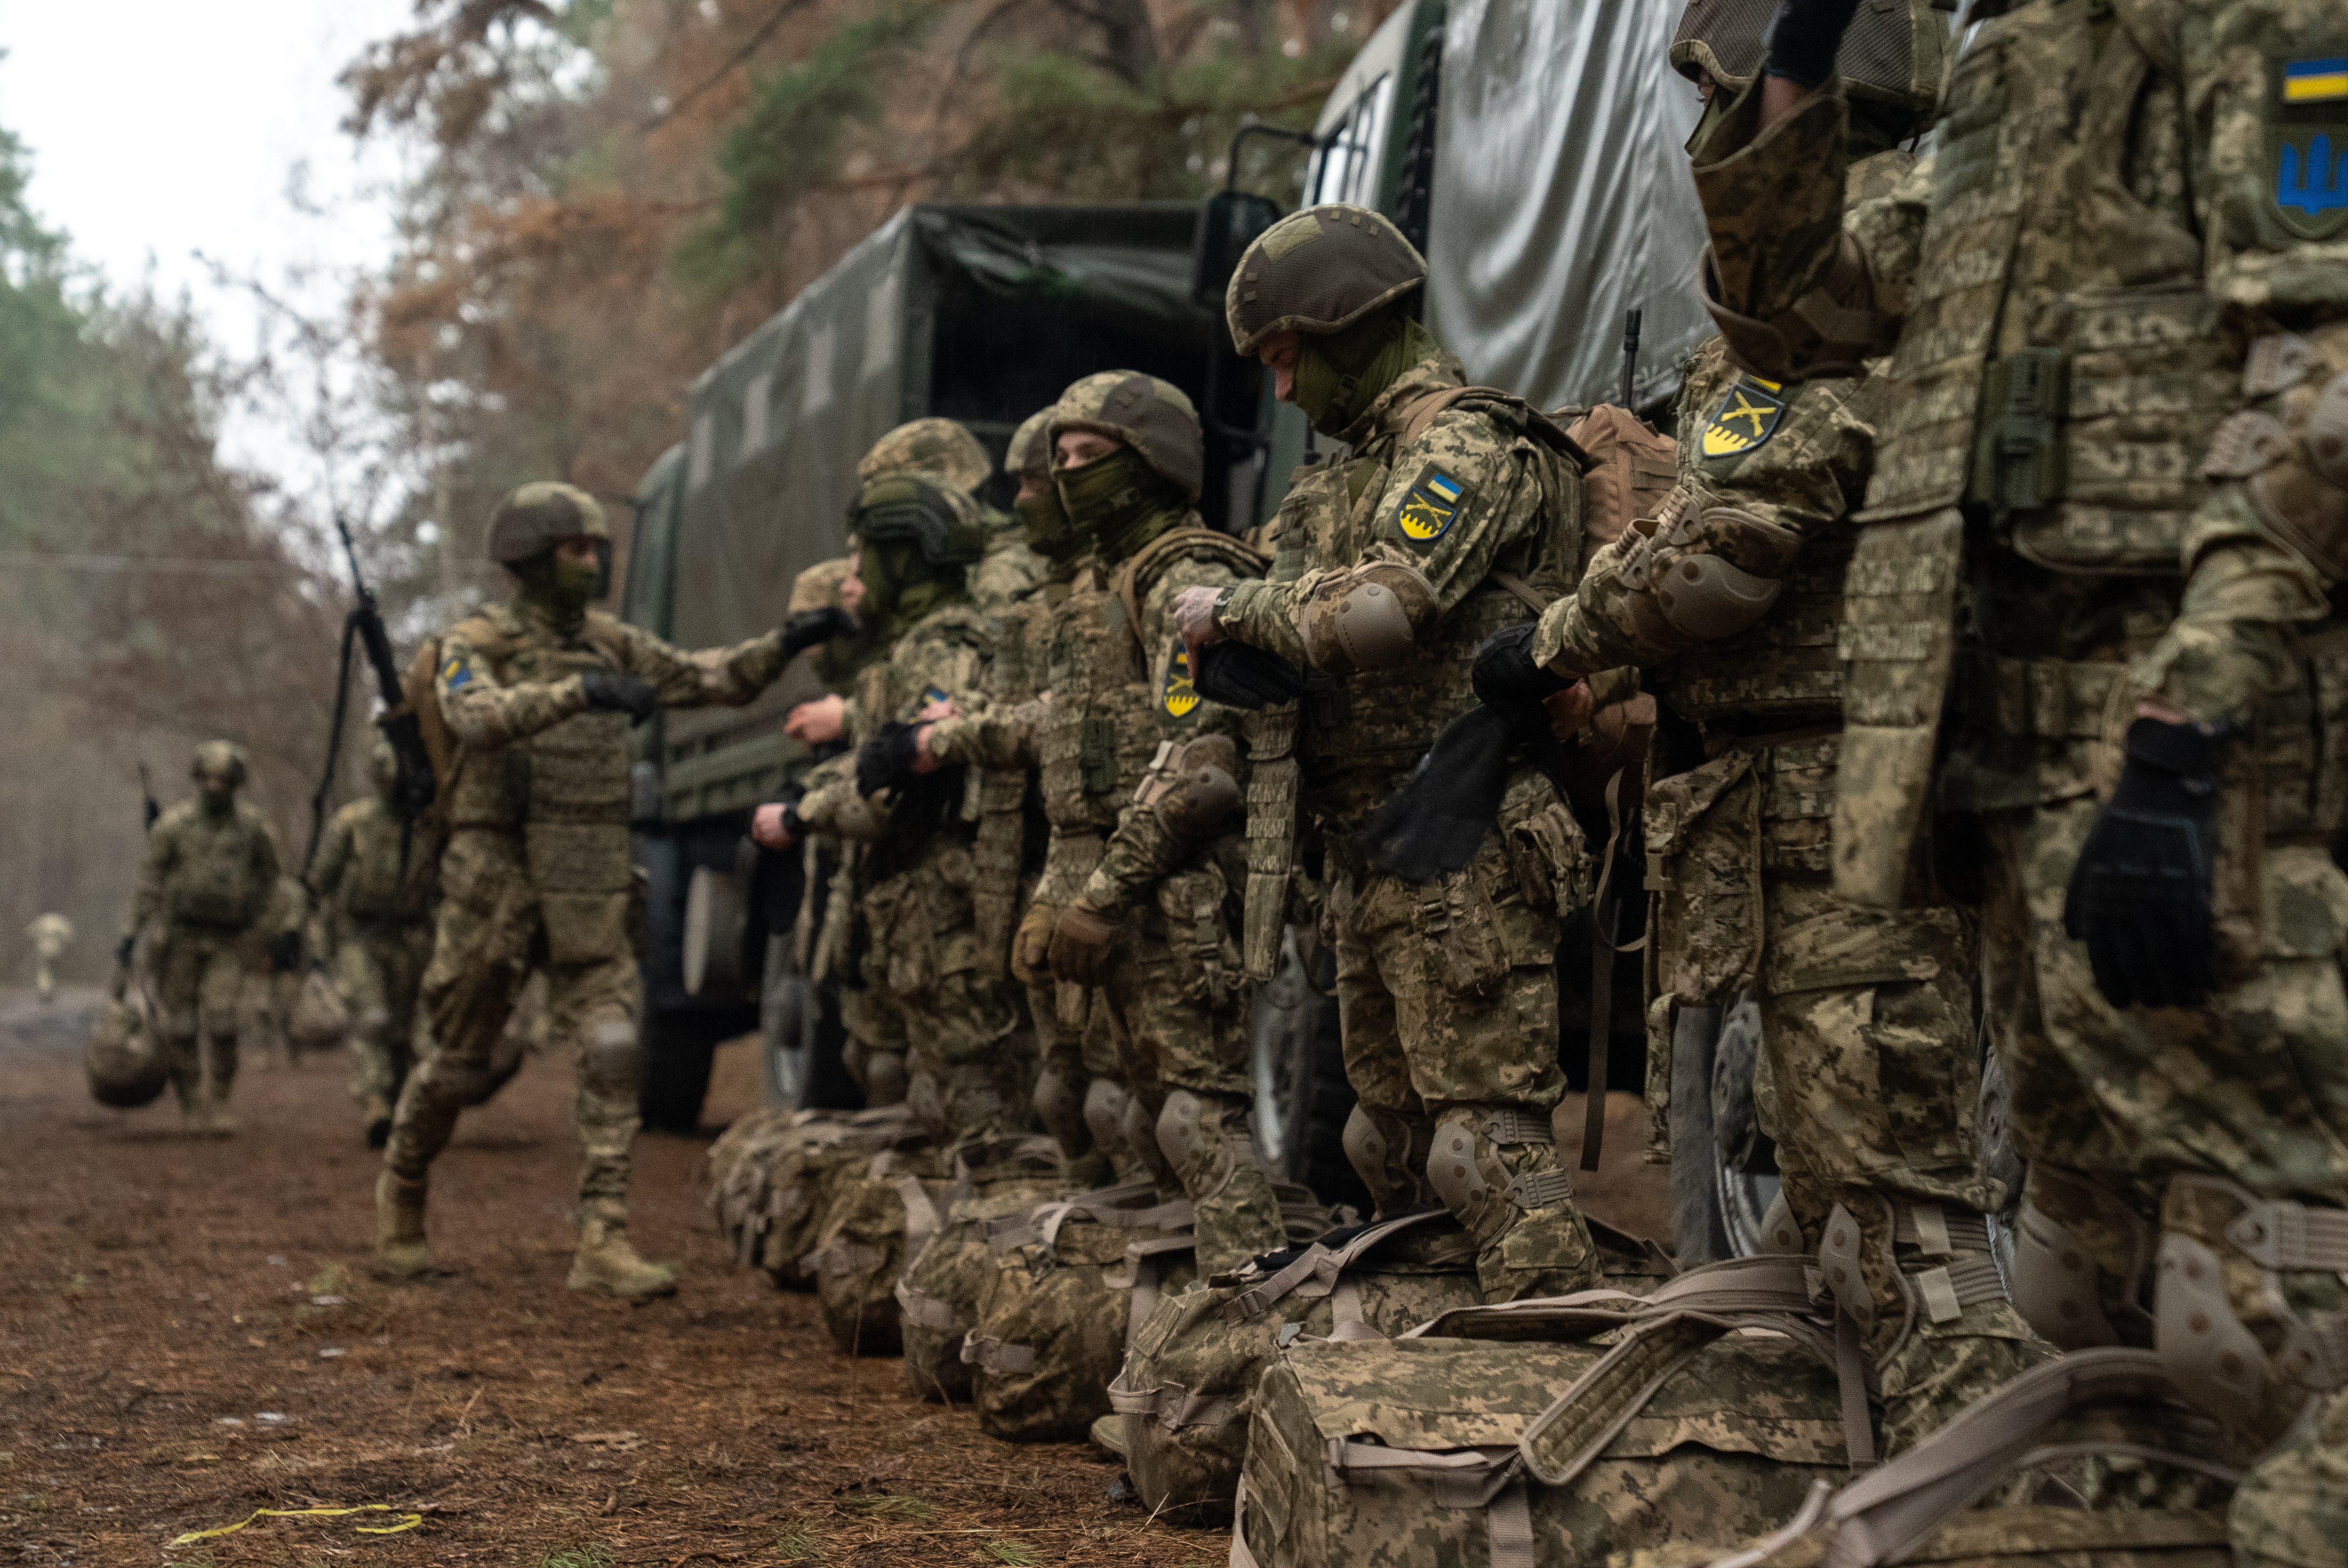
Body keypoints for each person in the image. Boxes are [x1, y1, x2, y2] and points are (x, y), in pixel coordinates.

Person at [1696, 0, 2348, 1549]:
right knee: (2085, 1289)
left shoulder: (2261, 24)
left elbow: (2327, 376)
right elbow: (1799, 310)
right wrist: (1796, 74)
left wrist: (2188, 734)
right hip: (2018, 762)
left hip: (2192, 753)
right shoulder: (2012, 59)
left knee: (2258, 1301)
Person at [1471, 0, 2044, 1456]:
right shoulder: (1999, 225)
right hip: (1965, 759)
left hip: (1834, 797)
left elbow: (1724, 548)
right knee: (1853, 1190)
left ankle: (1990, 1512)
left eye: (1729, 110)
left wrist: (1549, 639)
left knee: (1896, 1222)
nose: (1713, 146)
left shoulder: (1826, 285)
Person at [1170, 204, 1598, 1302]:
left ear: (1347, 326)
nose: (1282, 392)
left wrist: (1237, 609)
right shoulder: (1343, 477)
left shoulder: (1468, 445)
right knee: (1388, 1152)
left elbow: (1377, 616)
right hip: (1371, 849)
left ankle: (1552, 1362)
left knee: (1484, 1152)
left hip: (1468, 841)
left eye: (1285, 359)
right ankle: (1428, 1399)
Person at [377, 481, 843, 1296]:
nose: (592, 564)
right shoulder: (475, 640)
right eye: (575, 551)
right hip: (498, 876)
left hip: (590, 872)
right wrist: (578, 694)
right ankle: (403, 1193)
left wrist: (788, 640)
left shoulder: (612, 642)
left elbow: (715, 679)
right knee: (457, 1058)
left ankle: (602, 1240)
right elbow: (473, 718)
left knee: (613, 1045)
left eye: (598, 549)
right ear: (528, 560)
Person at [926, 373, 1281, 1270]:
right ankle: (1172, 1331)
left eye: (1092, 457)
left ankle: (1251, 1310)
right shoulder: (1099, 588)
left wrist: (1104, 894)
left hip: (1175, 888)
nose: (1070, 476)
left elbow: (1201, 773)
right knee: (1122, 1110)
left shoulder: (1185, 574)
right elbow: (1070, 740)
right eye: (1063, 458)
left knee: (1197, 1116)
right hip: (1107, 882)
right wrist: (1062, 892)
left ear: (1154, 460)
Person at [754, 466, 1024, 1144]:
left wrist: (798, 817)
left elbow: (906, 780)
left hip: (946, 919)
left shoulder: (944, 646)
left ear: (902, 554)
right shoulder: (908, 651)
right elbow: (876, 755)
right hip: (907, 921)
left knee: (965, 1108)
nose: (851, 575)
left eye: (860, 554)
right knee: (889, 1079)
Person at [116, 740, 294, 1136]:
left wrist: (269, 931)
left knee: (223, 1019)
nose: (215, 787)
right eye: (208, 778)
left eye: (224, 780)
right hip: (179, 940)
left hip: (231, 941)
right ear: (197, 780)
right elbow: (150, 884)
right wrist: (132, 934)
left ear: (236, 784)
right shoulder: (173, 827)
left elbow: (273, 885)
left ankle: (220, 1098)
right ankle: (190, 1101)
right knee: (179, 1024)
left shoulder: (253, 829)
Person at [311, 738, 440, 1147]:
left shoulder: (429, 826)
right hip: (360, 937)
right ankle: (373, 1102)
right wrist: (313, 940)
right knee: (373, 1018)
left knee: (403, 1032)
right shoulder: (352, 822)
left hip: (412, 937)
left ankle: (400, 1108)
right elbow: (320, 884)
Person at [25, 912, 72, 1003]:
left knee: (44, 971)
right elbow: (69, 937)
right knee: (53, 971)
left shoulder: (41, 920)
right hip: (56, 951)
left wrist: (39, 937)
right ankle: (50, 991)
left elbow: (30, 932)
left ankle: (45, 991)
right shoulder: (61, 921)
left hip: (43, 950)